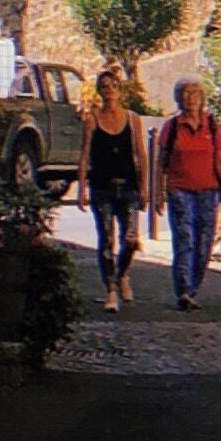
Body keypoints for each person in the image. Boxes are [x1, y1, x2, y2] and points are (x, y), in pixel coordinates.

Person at [151, 76, 221, 310]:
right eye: (185, 94)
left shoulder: (212, 125)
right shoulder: (172, 127)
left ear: (202, 97)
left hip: (208, 191)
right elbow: (160, 163)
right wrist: (157, 193)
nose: (190, 98)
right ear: (179, 98)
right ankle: (183, 291)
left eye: (194, 93)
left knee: (204, 242)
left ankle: (193, 288)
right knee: (184, 239)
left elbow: (219, 160)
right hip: (179, 190)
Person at [78, 67, 145, 311]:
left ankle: (121, 274)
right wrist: (81, 187)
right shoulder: (92, 119)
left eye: (113, 85)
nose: (109, 90)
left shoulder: (132, 119)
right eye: (104, 86)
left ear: (120, 89)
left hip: (128, 185)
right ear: (99, 91)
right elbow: (85, 154)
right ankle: (110, 291)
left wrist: (144, 187)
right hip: (102, 186)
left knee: (131, 239)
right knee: (106, 239)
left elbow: (140, 153)